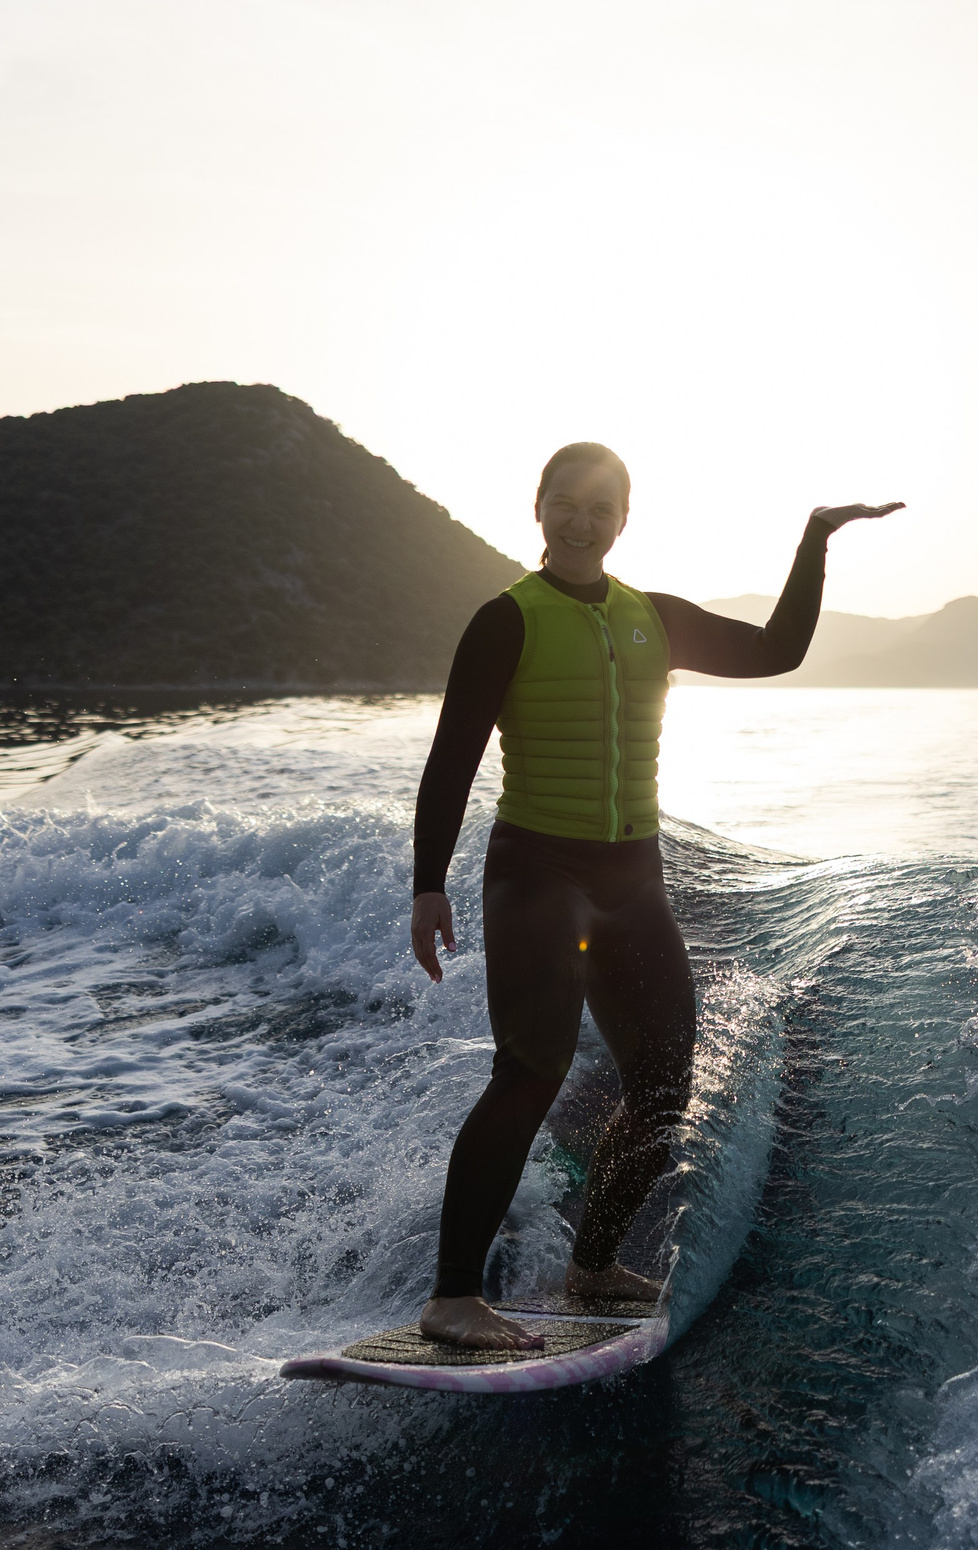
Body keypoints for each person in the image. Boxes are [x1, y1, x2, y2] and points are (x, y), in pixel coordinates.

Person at [408, 440, 900, 1349]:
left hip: (632, 880)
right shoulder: (505, 619)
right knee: (532, 1070)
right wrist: (428, 884)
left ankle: (592, 1265)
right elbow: (452, 759)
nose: (583, 520)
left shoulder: (654, 618)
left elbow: (777, 650)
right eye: (567, 503)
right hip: (537, 873)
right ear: (539, 509)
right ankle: (452, 1295)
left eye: (602, 508)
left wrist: (815, 541)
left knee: (666, 1072)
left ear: (622, 521)